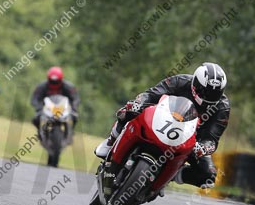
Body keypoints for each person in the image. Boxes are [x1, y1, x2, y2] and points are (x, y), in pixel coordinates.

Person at [95, 62, 230, 188]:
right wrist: (138, 103)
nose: (209, 97)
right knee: (128, 112)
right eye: (205, 91)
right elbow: (151, 94)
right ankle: (111, 141)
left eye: (215, 94)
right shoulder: (180, 81)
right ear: (195, 84)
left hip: (191, 139)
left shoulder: (222, 108)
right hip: (162, 120)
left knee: (208, 175)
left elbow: (212, 138)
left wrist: (203, 147)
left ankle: (173, 174)